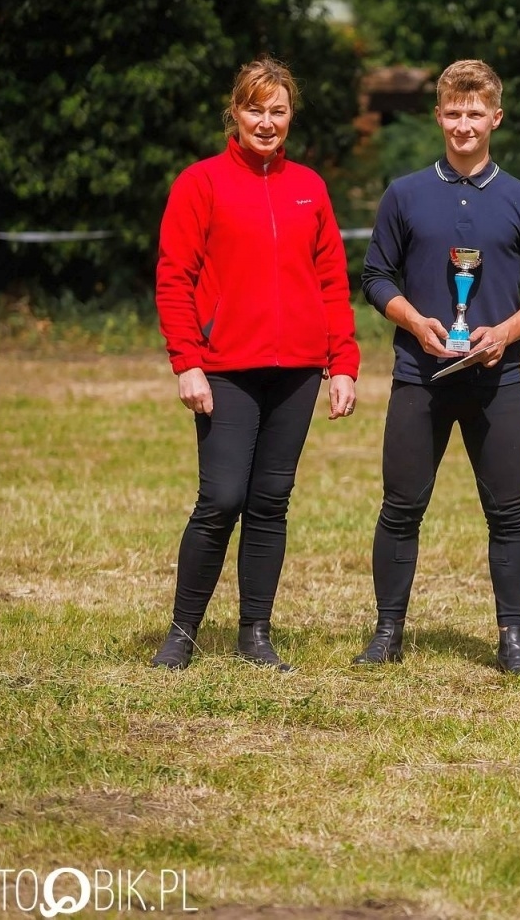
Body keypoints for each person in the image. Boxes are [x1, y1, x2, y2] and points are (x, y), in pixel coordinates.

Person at [356, 59, 520, 675]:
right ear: (439, 117)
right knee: (401, 506)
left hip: (497, 377)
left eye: (476, 113)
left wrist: (503, 331)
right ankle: (388, 632)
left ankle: (512, 641)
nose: (464, 124)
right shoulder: (405, 193)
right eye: (453, 112)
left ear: (495, 118)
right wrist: (415, 322)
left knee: (509, 512)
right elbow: (375, 277)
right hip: (419, 375)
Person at [152, 56, 360, 672]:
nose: (266, 122)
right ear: (234, 113)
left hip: (297, 368)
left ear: (290, 116)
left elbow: (331, 281)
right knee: (221, 497)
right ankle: (183, 633)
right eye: (254, 109)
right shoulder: (201, 183)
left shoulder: (310, 187)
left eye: (278, 111)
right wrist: (186, 361)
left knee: (270, 499)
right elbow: (174, 278)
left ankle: (255, 633)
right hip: (224, 367)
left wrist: (342, 363)